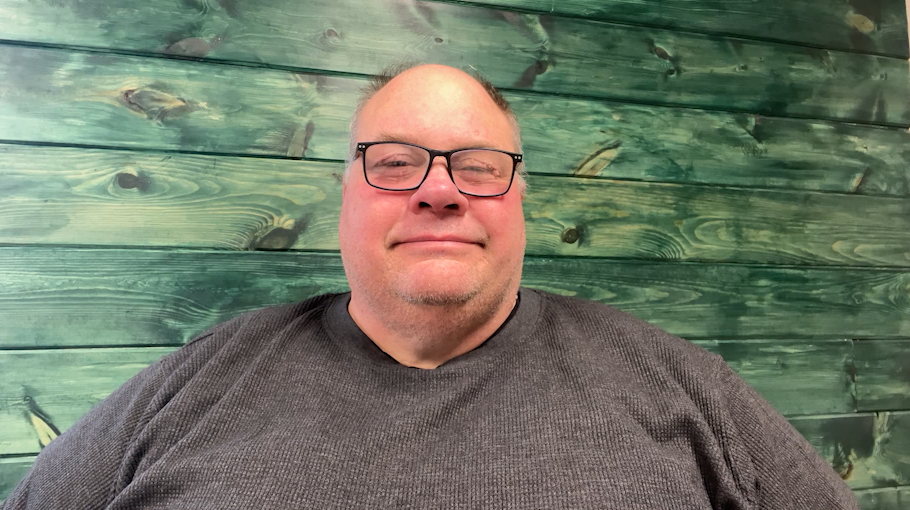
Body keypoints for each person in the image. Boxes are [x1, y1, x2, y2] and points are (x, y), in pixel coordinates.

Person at [2, 64, 858, 509]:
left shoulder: (689, 392)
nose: (439, 190)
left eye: (478, 165)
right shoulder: (185, 393)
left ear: (520, 197)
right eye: (395, 161)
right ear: (345, 193)